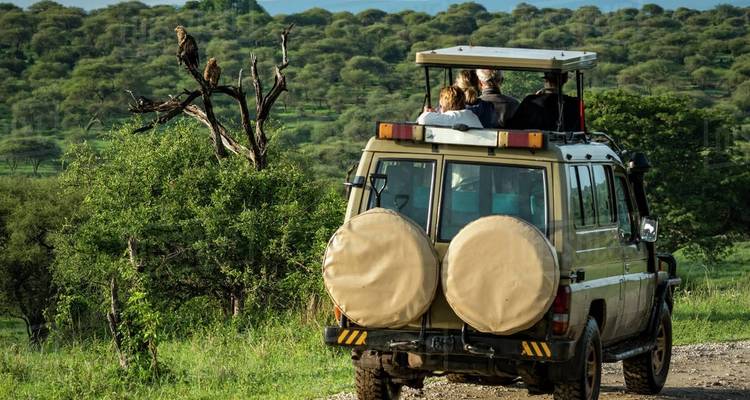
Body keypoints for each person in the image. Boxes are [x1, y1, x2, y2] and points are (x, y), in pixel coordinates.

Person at [508, 71, 581, 132]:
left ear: (546, 80)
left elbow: (515, 125)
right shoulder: (574, 103)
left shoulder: (530, 101)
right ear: (565, 80)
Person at [417, 86, 483, 128]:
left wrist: (428, 113)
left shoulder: (450, 117)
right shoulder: (472, 116)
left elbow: (423, 119)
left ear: (443, 104)